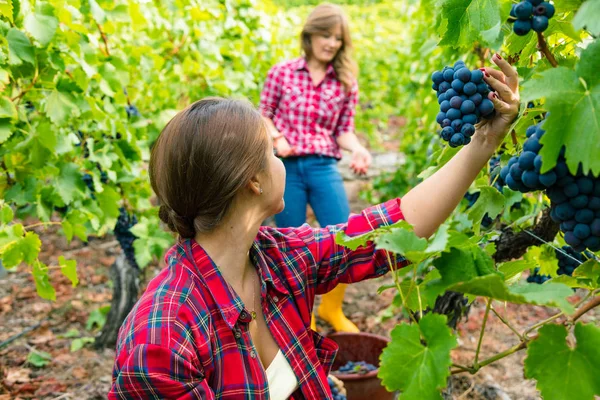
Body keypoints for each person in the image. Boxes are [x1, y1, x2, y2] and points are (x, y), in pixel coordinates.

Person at [107, 52, 519, 399]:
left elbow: (396, 226)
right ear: (252, 181)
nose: (282, 159)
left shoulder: (279, 258)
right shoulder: (161, 339)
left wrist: (483, 142)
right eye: (272, 151)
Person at [259, 4, 371, 333]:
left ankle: (331, 309)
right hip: (286, 168)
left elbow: (343, 131)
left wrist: (359, 148)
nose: (332, 43)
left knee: (344, 237)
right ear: (310, 35)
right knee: (291, 243)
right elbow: (263, 115)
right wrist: (277, 137)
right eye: (326, 35)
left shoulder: (345, 83)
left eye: (338, 38)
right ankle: (302, 314)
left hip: (323, 166)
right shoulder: (282, 73)